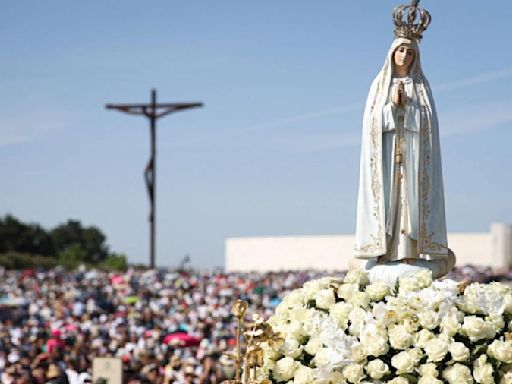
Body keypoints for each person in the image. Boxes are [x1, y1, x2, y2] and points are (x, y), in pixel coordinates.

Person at [353, 1, 455, 282]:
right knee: (389, 201)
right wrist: (390, 109)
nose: (405, 56)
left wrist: (408, 110)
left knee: (411, 200)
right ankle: (385, 250)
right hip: (387, 157)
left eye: (410, 52)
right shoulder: (379, 85)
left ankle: (411, 250)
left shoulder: (421, 86)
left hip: (413, 156)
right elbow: (371, 124)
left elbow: (428, 124)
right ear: (392, 53)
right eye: (401, 50)